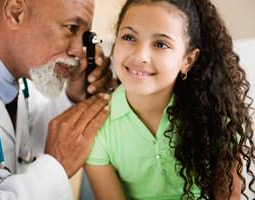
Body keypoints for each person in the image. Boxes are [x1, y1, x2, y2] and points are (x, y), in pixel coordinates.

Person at [85, 0, 255, 199]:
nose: (140, 55)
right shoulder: (97, 127)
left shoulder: (219, 117)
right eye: (129, 37)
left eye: (160, 44)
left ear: (187, 60)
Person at [0, 0, 114, 199]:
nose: (78, 50)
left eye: (84, 35)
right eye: (71, 28)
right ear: (15, 13)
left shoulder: (23, 68)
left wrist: (73, 97)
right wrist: (56, 168)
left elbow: (30, 132)